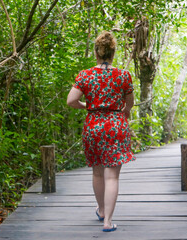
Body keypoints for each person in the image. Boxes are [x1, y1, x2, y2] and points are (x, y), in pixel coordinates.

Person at [66, 31, 135, 232]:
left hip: (93, 126)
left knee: (97, 172)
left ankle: (102, 210)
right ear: (113, 53)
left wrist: (88, 105)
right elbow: (129, 103)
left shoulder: (85, 75)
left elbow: (71, 101)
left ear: (96, 53)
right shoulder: (123, 75)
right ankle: (108, 222)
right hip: (115, 126)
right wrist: (125, 111)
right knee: (112, 176)